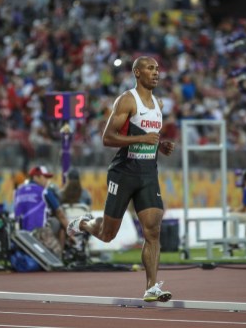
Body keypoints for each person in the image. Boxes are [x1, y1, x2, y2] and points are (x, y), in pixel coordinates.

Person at [66, 56, 175, 303]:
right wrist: (141, 140)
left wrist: (161, 146)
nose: (156, 72)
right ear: (137, 73)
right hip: (123, 173)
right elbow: (108, 138)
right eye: (150, 68)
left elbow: (148, 139)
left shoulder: (158, 103)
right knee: (107, 234)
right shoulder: (127, 100)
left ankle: (151, 287)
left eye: (158, 68)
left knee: (153, 230)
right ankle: (84, 223)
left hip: (148, 173)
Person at [13, 165, 70, 256]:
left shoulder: (18, 191)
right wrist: (72, 233)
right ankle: (59, 257)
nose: (47, 180)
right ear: (36, 177)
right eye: (45, 177)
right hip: (39, 234)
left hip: (20, 236)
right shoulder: (44, 191)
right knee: (59, 224)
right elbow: (60, 214)